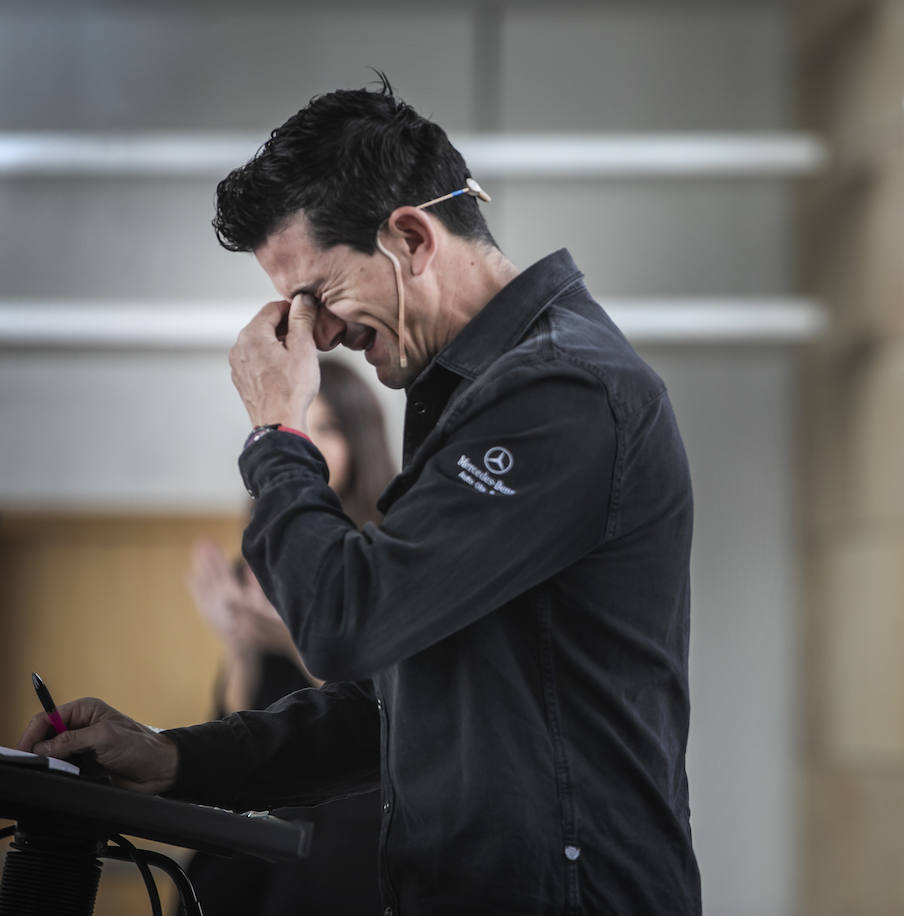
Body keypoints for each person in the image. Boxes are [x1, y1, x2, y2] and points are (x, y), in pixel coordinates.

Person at [19, 76, 700, 915]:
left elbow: (346, 625)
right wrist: (174, 758)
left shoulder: (563, 391)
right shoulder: (472, 396)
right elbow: (396, 705)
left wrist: (278, 432)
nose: (321, 334)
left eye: (321, 296)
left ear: (411, 237)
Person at [182, 358, 394, 916]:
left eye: (327, 429)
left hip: (350, 804)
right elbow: (236, 712)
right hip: (265, 793)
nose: (313, 448)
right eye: (300, 429)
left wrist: (296, 638)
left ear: (359, 437)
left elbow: (374, 707)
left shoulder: (384, 554)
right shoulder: (265, 554)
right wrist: (240, 644)